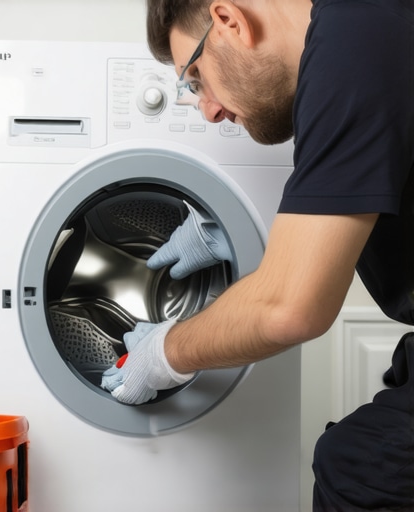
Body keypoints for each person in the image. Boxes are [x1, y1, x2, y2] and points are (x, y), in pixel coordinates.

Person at [102, 0, 414, 509]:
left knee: (359, 469)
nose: (208, 109)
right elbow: (349, 210)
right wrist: (231, 235)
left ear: (229, 21)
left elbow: (289, 308)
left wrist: (163, 353)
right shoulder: (356, 36)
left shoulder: (354, 40)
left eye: (195, 77)